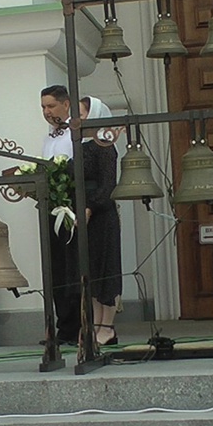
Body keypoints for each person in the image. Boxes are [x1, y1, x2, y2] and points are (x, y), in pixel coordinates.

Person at [80, 96, 123, 348]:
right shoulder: (83, 144)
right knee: (92, 272)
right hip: (86, 217)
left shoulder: (105, 145)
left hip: (101, 215)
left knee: (106, 270)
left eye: (83, 113)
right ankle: (96, 325)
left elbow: (108, 185)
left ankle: (107, 327)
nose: (79, 118)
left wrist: (90, 206)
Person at [39, 85, 80, 346]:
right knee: (56, 269)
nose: (46, 111)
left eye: (51, 106)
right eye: (43, 107)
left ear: (66, 105)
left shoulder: (76, 135)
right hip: (51, 207)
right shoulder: (49, 138)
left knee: (72, 266)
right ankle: (62, 327)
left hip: (71, 207)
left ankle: (78, 326)